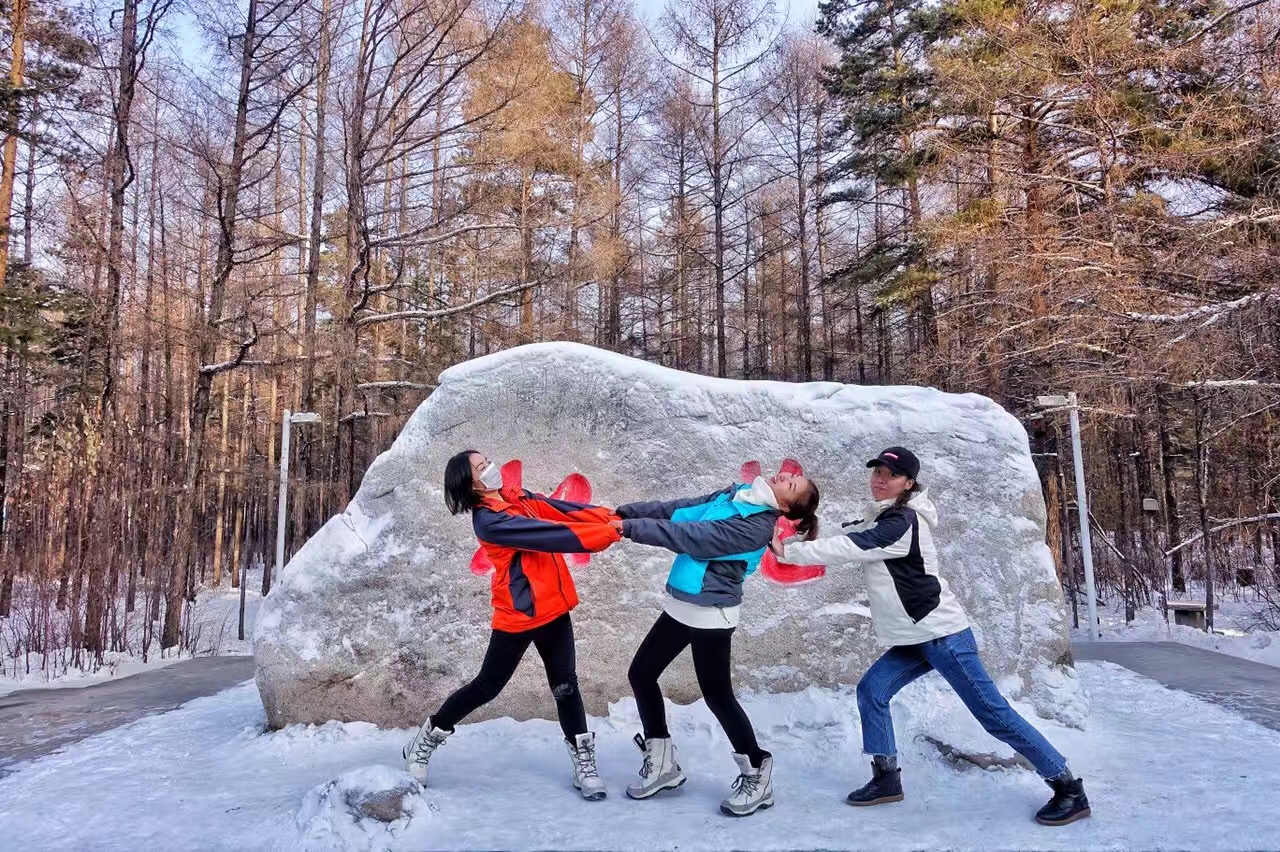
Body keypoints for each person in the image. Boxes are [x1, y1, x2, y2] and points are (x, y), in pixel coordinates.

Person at [774, 447, 1091, 826]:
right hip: (916, 635)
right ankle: (886, 778)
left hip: (942, 635)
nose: (879, 479)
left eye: (889, 475)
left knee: (993, 714)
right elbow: (854, 534)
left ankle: (1068, 786)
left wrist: (791, 553)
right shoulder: (888, 516)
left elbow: (856, 546)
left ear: (908, 483)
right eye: (876, 471)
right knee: (872, 691)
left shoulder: (903, 520)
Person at [403, 450, 622, 800]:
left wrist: (612, 517)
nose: (489, 467)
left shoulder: (515, 499)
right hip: (519, 614)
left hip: (554, 608)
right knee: (487, 686)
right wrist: (606, 534)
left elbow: (562, 511)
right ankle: (427, 737)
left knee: (565, 685)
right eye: (480, 467)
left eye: (486, 460)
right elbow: (550, 533)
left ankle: (584, 761)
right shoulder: (489, 520)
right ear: (470, 484)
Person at [610, 470, 821, 817]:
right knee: (642, 674)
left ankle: (757, 770)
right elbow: (681, 512)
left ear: (784, 506)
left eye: (791, 484)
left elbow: (693, 537)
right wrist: (626, 513)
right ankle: (662, 761)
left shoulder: (756, 526)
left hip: (713, 613)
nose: (785, 475)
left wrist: (628, 529)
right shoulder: (736, 495)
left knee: (717, 696)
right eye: (790, 475)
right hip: (683, 602)